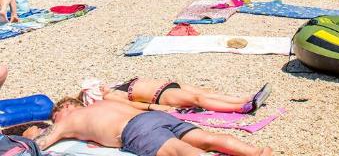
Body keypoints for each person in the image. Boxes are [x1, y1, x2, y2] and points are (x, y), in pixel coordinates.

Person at [24, 98, 271, 156]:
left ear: (64, 109)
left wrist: (31, 137)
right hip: (155, 119)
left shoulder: (66, 120)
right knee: (208, 139)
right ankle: (257, 153)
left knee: (182, 152)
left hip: (135, 129)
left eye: (55, 115)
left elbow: (41, 144)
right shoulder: (103, 103)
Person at [80, 78, 271, 114]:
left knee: (207, 93)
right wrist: (157, 108)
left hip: (167, 86)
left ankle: (245, 99)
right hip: (160, 95)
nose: (101, 85)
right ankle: (242, 108)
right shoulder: (110, 97)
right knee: (199, 100)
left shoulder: (115, 88)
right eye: (97, 86)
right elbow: (134, 107)